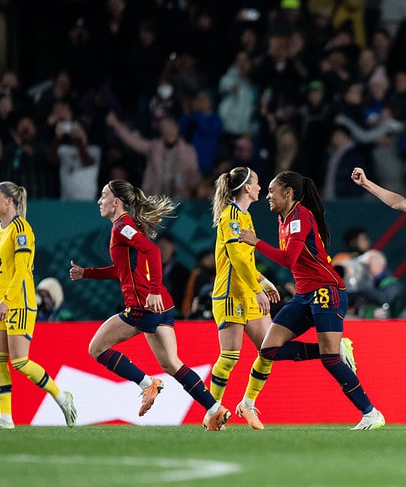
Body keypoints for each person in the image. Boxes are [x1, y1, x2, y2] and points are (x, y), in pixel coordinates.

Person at [69, 179, 230, 430]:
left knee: (96, 348)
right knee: (172, 364)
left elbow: (153, 252)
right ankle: (215, 409)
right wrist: (87, 273)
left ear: (117, 202)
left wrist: (153, 290)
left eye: (103, 195)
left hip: (143, 306)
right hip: (162, 306)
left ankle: (147, 384)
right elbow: (123, 270)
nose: (99, 200)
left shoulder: (122, 226)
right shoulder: (125, 227)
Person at [238, 170, 385, 430]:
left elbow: (288, 260)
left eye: (272, 191)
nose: (268, 196)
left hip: (326, 290)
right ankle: (337, 349)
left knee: (330, 361)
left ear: (288, 192)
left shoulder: (301, 216)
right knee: (268, 350)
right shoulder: (283, 219)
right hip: (304, 294)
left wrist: (255, 242)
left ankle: (371, 413)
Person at [0, 181, 77, 429]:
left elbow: (23, 270)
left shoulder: (22, 229)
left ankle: (61, 397)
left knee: (19, 361)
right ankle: (5, 418)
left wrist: (6, 300)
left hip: (19, 303)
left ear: (9, 201)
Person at [209, 166, 281, 430]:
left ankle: (247, 403)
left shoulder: (245, 217)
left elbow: (247, 259)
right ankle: (212, 413)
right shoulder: (231, 217)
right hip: (231, 294)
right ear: (247, 188)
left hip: (248, 291)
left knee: (269, 350)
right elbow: (236, 258)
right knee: (229, 357)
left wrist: (263, 280)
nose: (261, 188)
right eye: (258, 183)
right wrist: (257, 289)